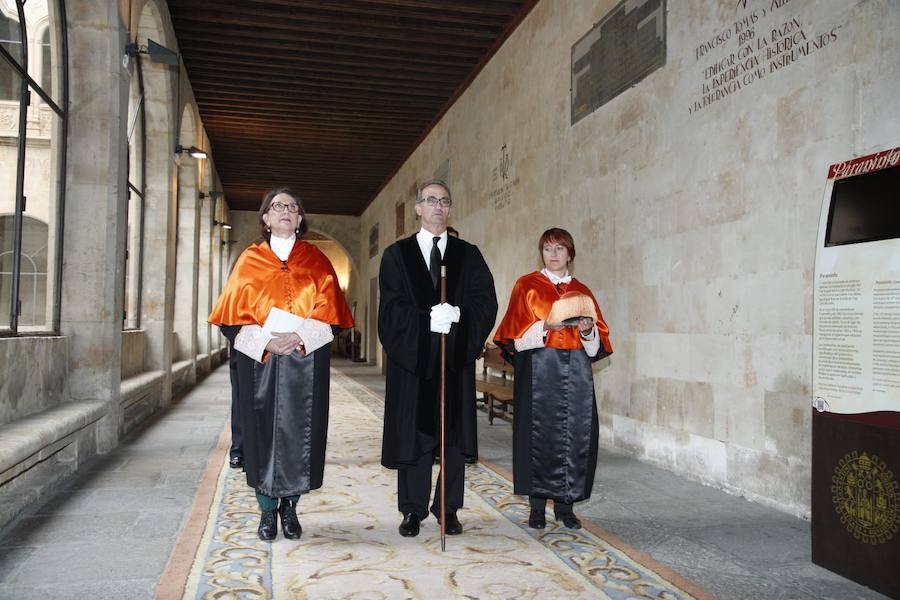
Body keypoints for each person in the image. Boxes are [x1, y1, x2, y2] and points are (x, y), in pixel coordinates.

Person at [208, 187, 353, 541]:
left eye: (292, 206)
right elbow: (231, 319)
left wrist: (299, 336)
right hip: (260, 360)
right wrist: (267, 341)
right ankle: (266, 511)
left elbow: (332, 315)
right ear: (266, 218)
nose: (285, 210)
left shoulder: (318, 261)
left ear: (300, 218)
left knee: (298, 433)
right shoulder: (249, 260)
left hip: (306, 359)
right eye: (277, 206)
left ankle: (290, 507)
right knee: (260, 434)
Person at [378, 180, 497, 538]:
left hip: (453, 360)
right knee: (414, 438)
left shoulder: (467, 254)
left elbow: (485, 301)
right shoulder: (396, 255)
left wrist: (459, 315)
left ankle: (448, 509)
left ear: (450, 208)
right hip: (413, 364)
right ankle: (412, 510)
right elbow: (391, 310)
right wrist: (426, 321)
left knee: (453, 438)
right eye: (431, 200)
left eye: (444, 201)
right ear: (418, 208)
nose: (438, 207)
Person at [493, 227, 612, 530]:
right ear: (541, 253)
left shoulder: (582, 291)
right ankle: (536, 507)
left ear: (570, 254)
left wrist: (587, 329)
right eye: (548, 249)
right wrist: (546, 327)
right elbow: (514, 340)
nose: (554, 255)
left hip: (577, 375)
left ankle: (565, 506)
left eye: (560, 249)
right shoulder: (527, 286)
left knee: (575, 438)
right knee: (539, 437)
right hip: (539, 370)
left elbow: (596, 347)